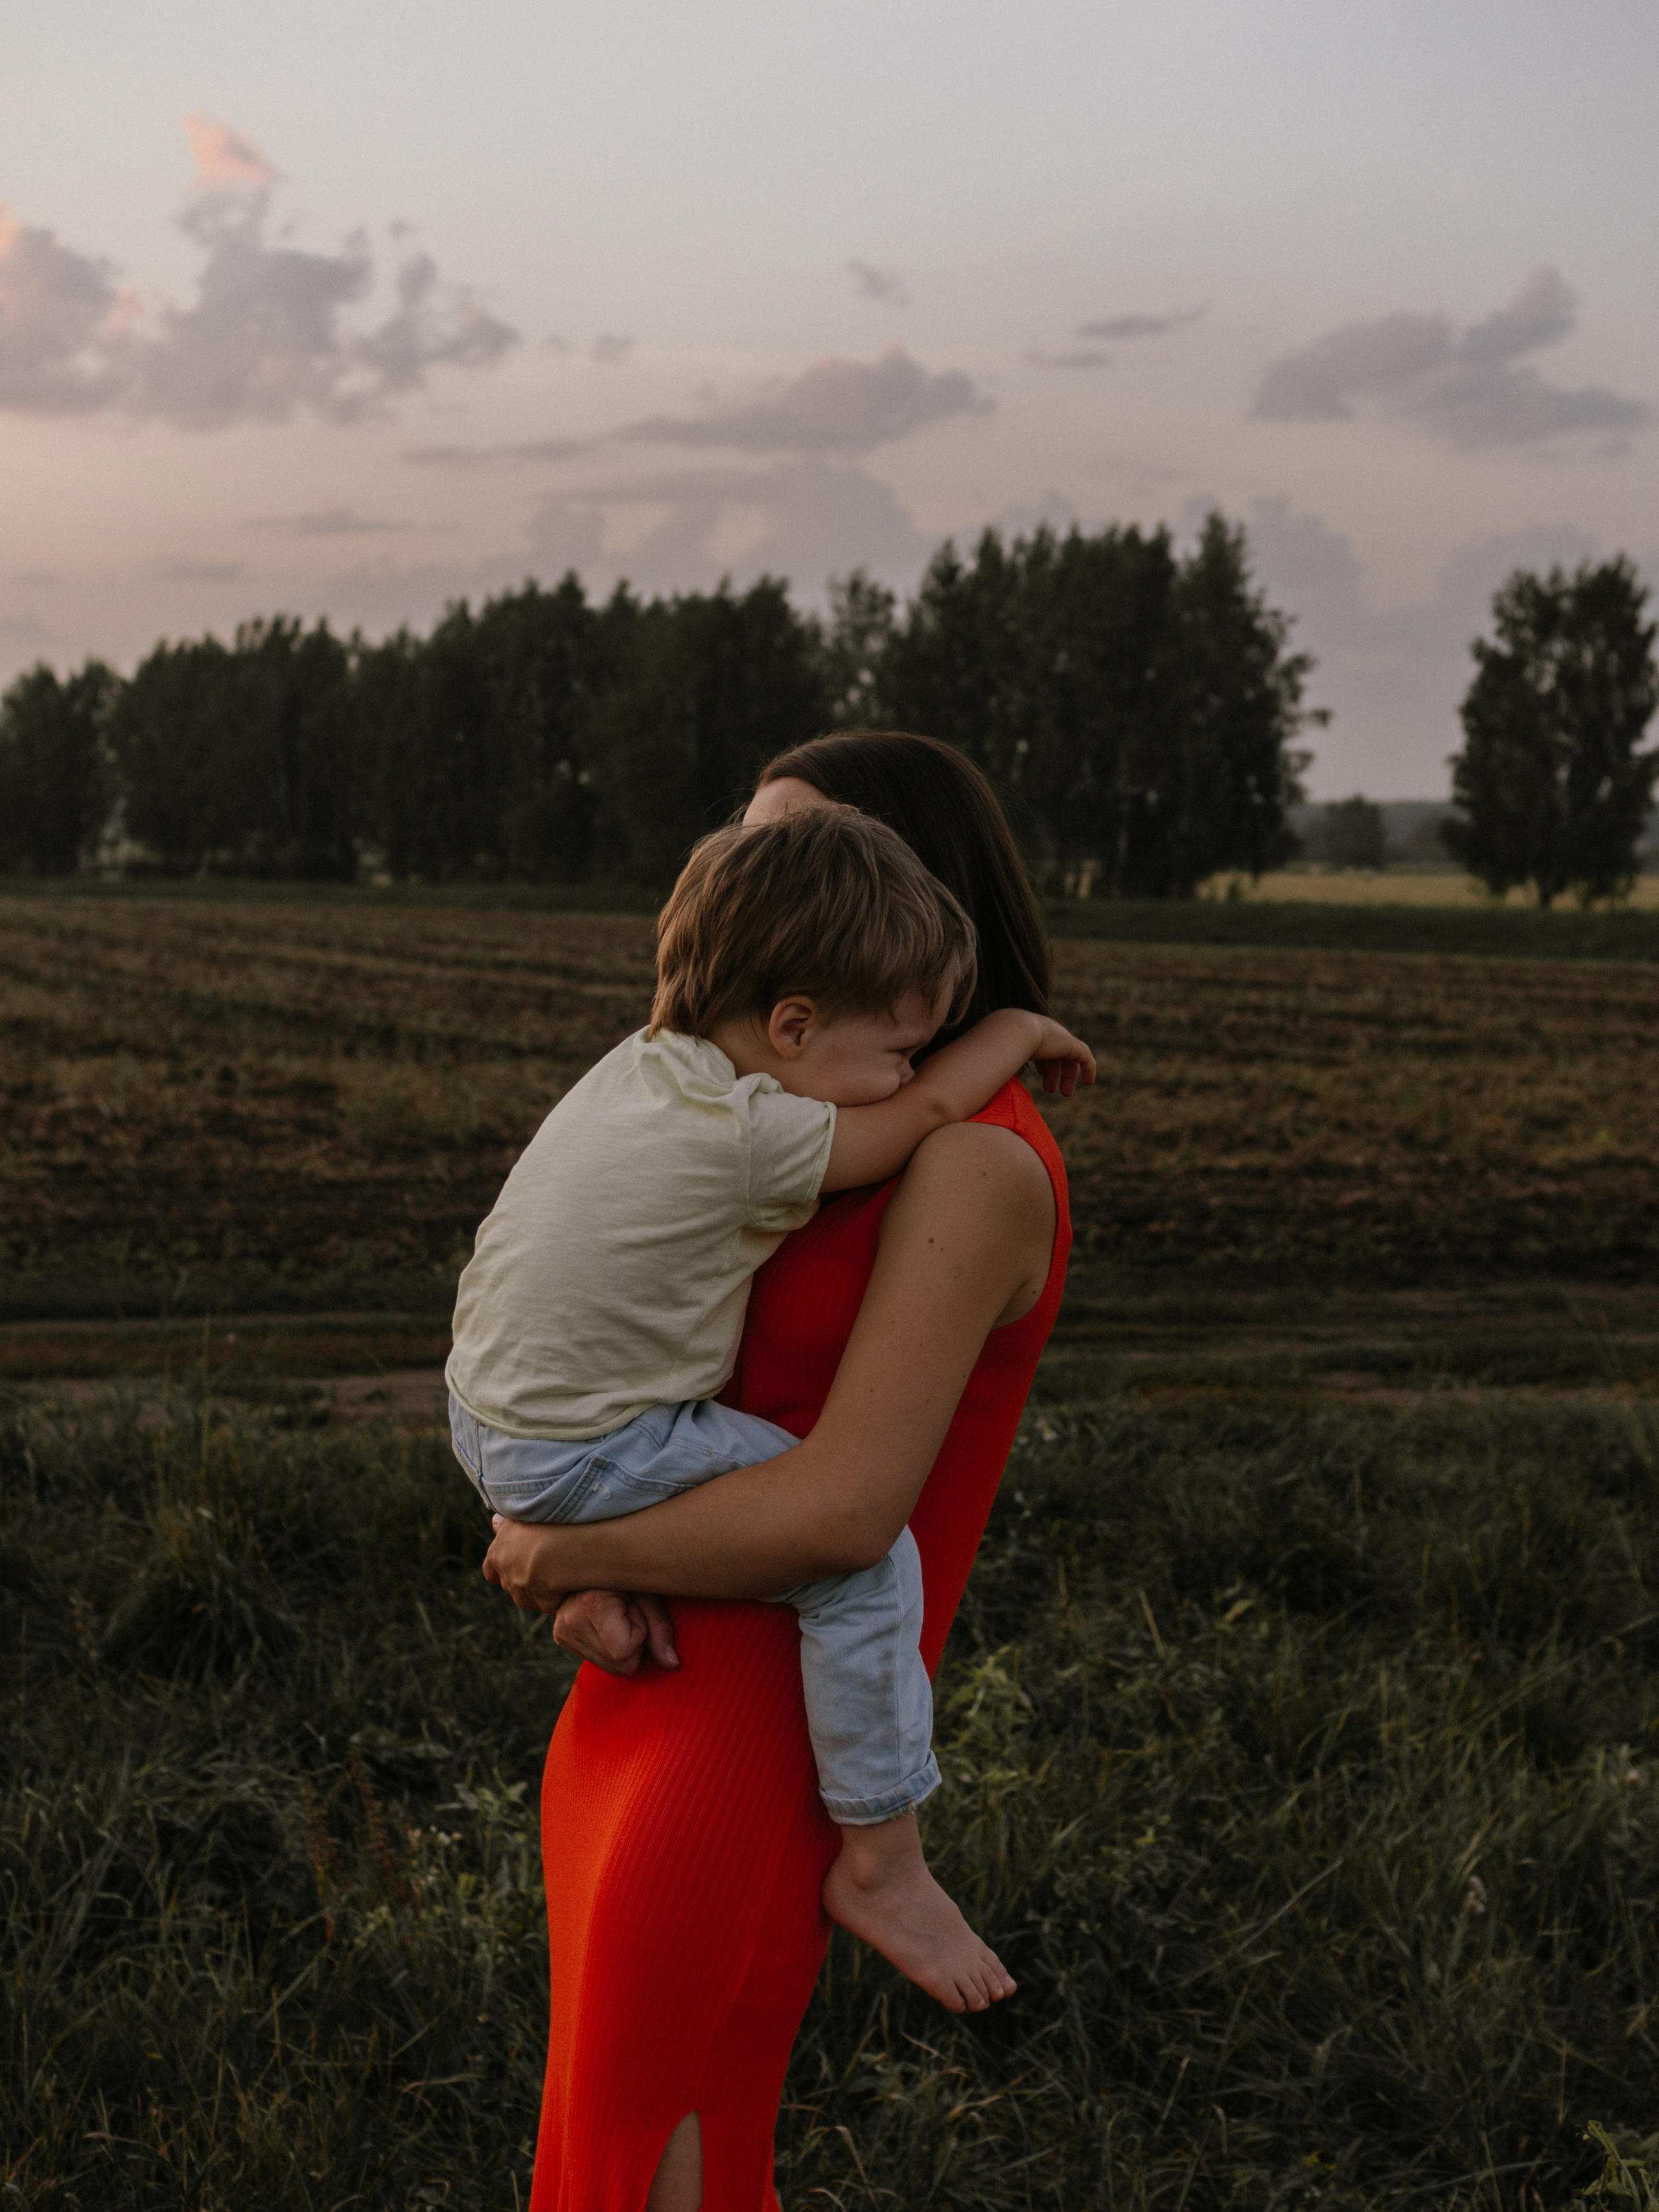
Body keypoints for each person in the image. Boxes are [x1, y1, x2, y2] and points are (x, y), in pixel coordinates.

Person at [482, 730, 1074, 2212]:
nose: (741, 890)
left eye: (787, 856)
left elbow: (844, 1510)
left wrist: (558, 1554)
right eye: (737, 853)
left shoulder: (968, 1164)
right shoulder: (742, 1118)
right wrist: (568, 1529)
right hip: (645, 1693)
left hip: (769, 1728)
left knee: (660, 2142)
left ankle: (889, 1864)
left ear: (902, 903)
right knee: (627, 2130)